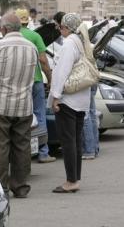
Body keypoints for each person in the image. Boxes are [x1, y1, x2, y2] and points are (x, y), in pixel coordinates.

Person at [0, 12, 38, 198]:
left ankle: (1, 188)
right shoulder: (32, 47)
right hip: (24, 106)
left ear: (3, 29)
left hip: (0, 105)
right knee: (22, 146)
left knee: (0, 146)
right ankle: (20, 187)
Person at [48, 13, 92, 193]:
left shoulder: (68, 45)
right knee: (75, 142)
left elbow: (61, 72)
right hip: (81, 101)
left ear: (66, 28)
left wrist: (55, 97)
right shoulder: (83, 44)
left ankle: (71, 181)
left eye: (61, 27)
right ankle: (75, 178)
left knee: (68, 143)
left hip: (67, 101)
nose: (60, 30)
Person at [15, 8, 56, 163]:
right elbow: (44, 61)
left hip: (18, 83)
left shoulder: (9, 37)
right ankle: (43, 152)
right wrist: (50, 78)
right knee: (40, 115)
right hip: (36, 81)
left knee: (21, 118)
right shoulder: (35, 36)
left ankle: (23, 153)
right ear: (27, 21)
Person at [82, 85, 100, 159]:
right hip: (92, 80)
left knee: (85, 115)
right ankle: (94, 149)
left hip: (83, 82)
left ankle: (89, 150)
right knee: (92, 115)